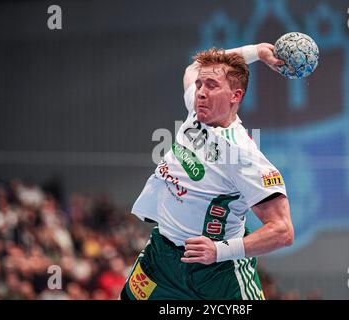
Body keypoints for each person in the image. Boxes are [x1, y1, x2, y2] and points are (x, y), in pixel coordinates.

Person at [120, 43, 294, 300]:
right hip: (163, 257)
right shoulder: (195, 109)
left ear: (235, 96)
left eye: (211, 86)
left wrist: (220, 251)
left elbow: (283, 230)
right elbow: (194, 67)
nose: (200, 92)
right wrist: (256, 51)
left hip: (217, 274)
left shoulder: (243, 155)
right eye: (200, 85)